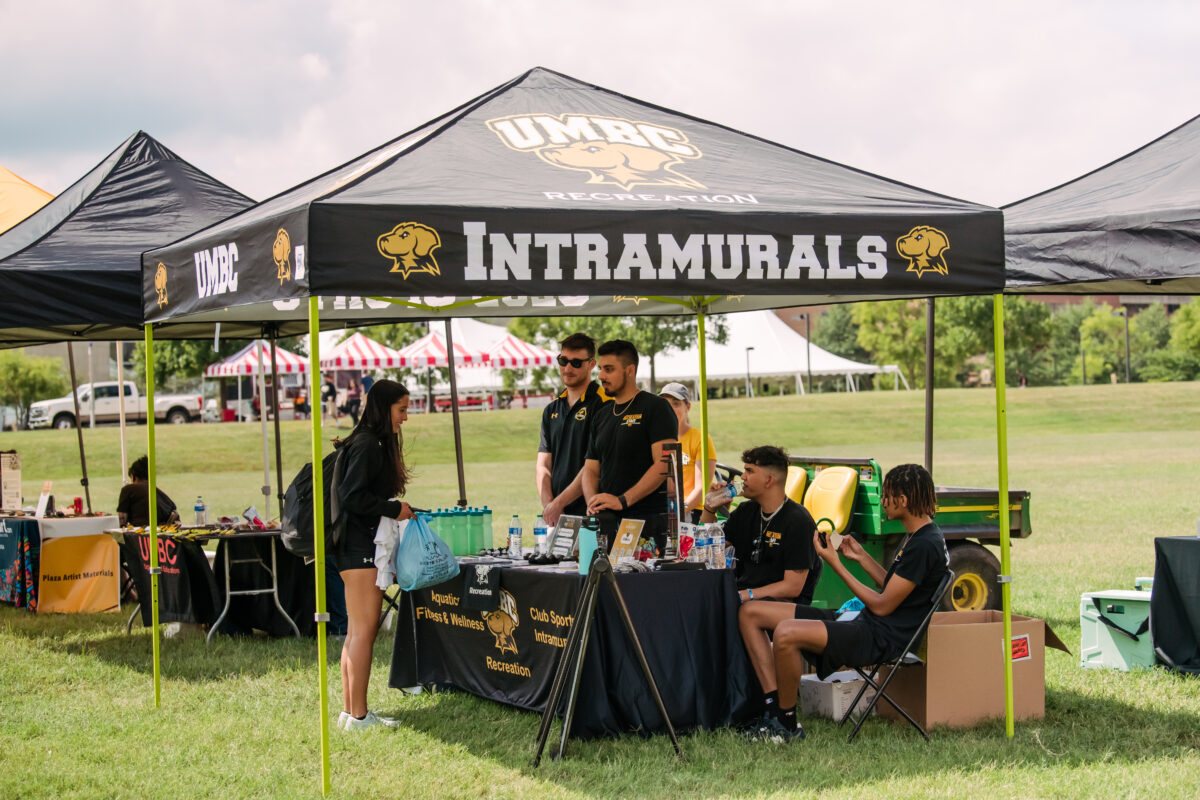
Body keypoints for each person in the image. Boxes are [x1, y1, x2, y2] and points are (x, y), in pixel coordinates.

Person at [737, 463, 950, 743]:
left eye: (887, 496)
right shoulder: (919, 536)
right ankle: (771, 707)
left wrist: (836, 565)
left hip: (880, 637)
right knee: (751, 612)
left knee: (787, 633)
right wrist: (861, 557)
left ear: (903, 501)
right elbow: (894, 587)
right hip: (865, 623)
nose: (883, 502)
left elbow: (883, 605)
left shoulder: (925, 545)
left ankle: (785, 724)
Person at [334, 378, 415, 731]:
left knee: (355, 632)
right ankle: (360, 715)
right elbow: (353, 496)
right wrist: (393, 508)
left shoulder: (365, 440)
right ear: (384, 409)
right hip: (360, 548)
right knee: (364, 632)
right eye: (402, 410)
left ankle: (352, 712)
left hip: (352, 548)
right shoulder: (368, 444)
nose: (405, 418)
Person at [582, 339, 677, 552]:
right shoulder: (601, 415)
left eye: (609, 369)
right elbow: (590, 469)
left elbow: (665, 464)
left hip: (647, 523)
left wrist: (622, 501)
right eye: (600, 369)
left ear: (630, 370)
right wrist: (593, 504)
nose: (601, 376)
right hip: (606, 523)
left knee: (641, 585)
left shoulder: (656, 407)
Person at [700, 445, 819, 604]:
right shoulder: (746, 511)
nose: (742, 477)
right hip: (744, 597)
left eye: (749, 471)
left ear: (769, 480)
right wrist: (709, 508)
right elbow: (707, 552)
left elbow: (792, 587)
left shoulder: (798, 521)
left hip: (783, 607)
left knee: (744, 611)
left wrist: (743, 595)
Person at [536, 333, 610, 526]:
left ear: (591, 364)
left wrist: (559, 503)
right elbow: (543, 466)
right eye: (563, 360)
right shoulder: (551, 409)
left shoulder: (604, 405)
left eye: (576, 363)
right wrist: (549, 507)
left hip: (592, 514)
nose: (567, 368)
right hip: (557, 516)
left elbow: (594, 465)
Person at [658, 382, 715, 522]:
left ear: (687, 406)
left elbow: (701, 489)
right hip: (662, 512)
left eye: (676, 403)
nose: (670, 409)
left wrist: (677, 512)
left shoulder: (700, 439)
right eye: (665, 404)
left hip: (691, 511)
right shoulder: (655, 440)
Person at [116, 456, 180, 527]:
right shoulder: (162, 495)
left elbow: (122, 520)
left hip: (141, 534)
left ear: (133, 476)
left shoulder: (128, 489)